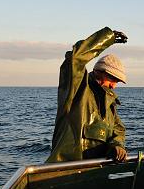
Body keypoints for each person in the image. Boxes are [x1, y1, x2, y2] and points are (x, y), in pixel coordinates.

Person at [46, 27, 129, 163]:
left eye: (117, 82)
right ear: (100, 71)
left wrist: (116, 146)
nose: (114, 86)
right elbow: (75, 58)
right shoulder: (77, 87)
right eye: (113, 79)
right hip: (66, 170)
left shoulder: (110, 104)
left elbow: (118, 130)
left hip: (93, 172)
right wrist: (107, 38)